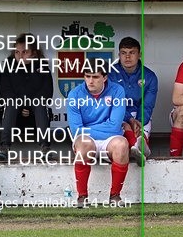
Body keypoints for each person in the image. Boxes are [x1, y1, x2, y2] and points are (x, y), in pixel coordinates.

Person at [67, 58, 129, 208]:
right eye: (87, 76)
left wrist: (91, 129)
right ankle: (82, 197)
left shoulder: (117, 90)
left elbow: (115, 126)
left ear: (105, 77)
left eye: (95, 77)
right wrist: (103, 127)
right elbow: (76, 130)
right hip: (87, 139)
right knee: (84, 144)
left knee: (122, 145)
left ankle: (115, 195)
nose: (90, 81)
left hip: (109, 138)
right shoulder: (74, 94)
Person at [0, 33, 54, 161]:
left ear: (34, 53)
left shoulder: (42, 66)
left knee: (40, 104)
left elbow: (47, 92)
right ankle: (4, 147)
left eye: (24, 52)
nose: (20, 56)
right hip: (14, 115)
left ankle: (45, 147)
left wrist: (29, 106)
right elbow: (3, 91)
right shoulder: (8, 65)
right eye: (17, 52)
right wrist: (21, 105)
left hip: (35, 115)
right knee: (11, 103)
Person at [108, 37, 157, 165]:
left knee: (141, 131)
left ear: (139, 54)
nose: (127, 57)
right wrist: (130, 119)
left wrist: (139, 121)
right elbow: (113, 103)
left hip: (140, 115)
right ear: (119, 55)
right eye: (124, 53)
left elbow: (147, 105)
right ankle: (136, 149)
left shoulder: (149, 76)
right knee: (124, 127)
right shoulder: (110, 74)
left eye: (132, 52)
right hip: (117, 113)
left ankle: (141, 147)